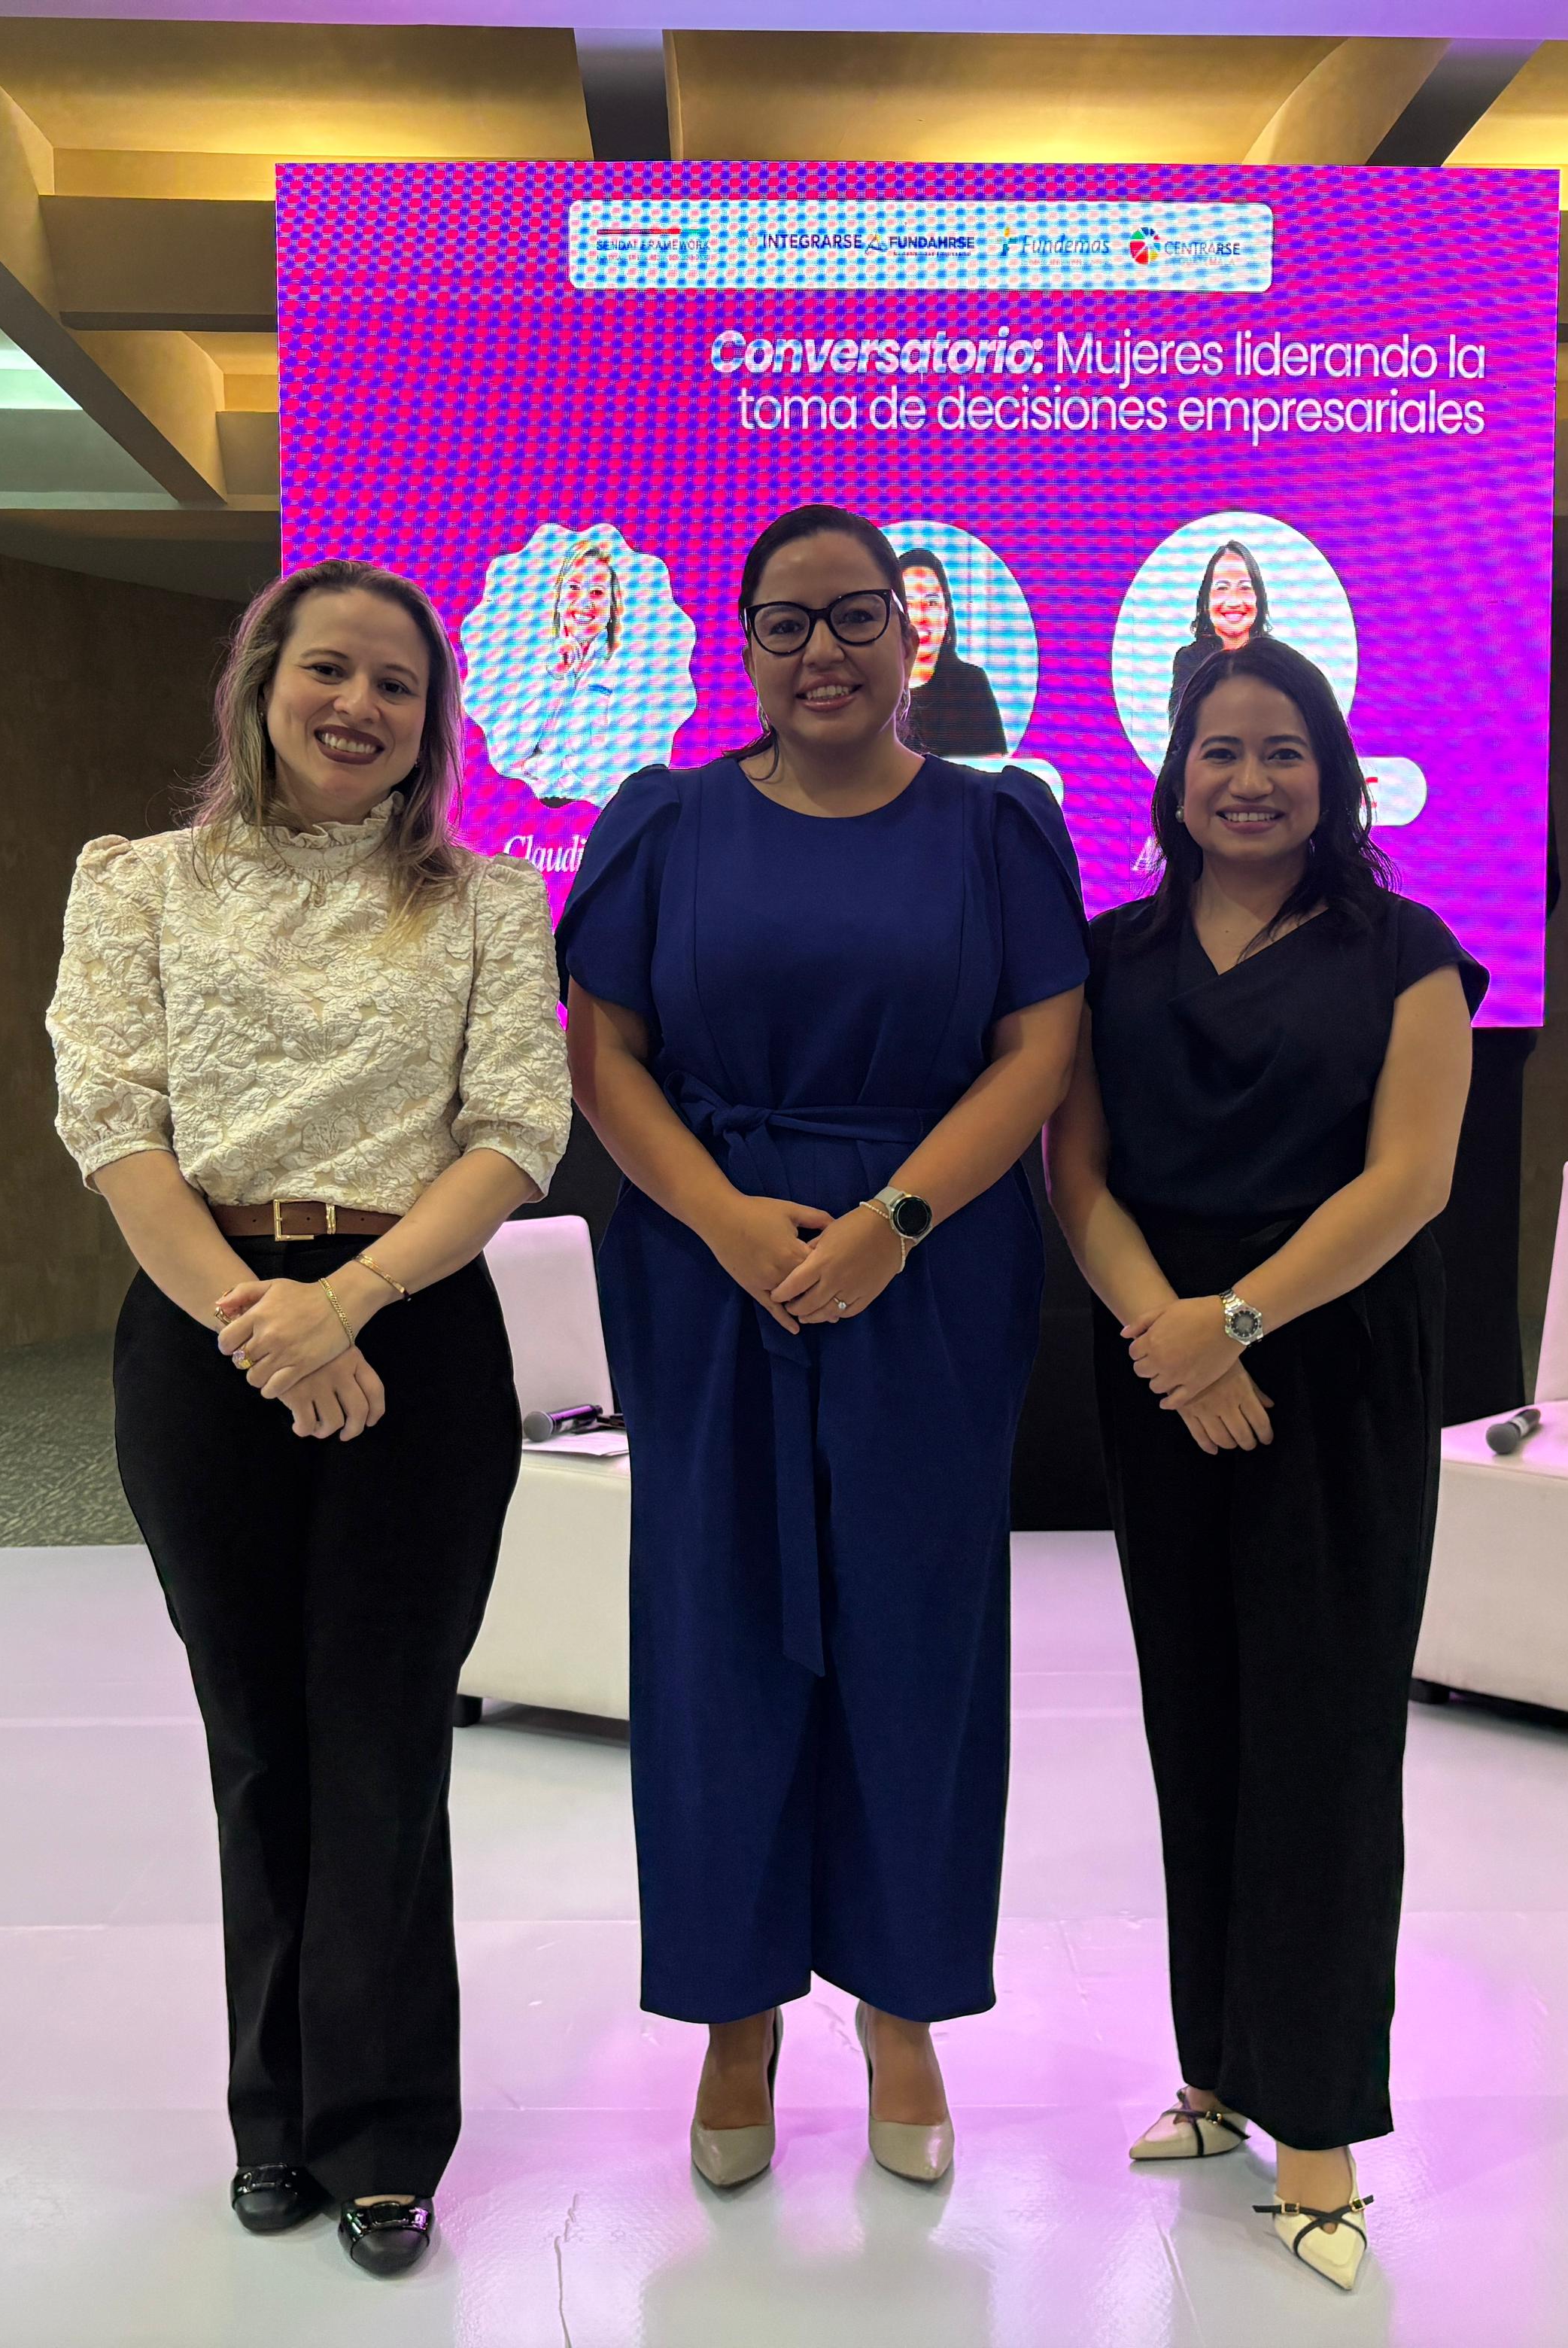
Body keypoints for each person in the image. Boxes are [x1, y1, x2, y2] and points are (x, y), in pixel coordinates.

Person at [47, 557, 570, 2279]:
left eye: (395, 685)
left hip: (412, 1331)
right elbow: (113, 1123)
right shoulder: (134, 884)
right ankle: (271, 2115)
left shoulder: (488, 901)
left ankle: (385, 2133)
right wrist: (263, 1324)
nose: (358, 706)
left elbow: (514, 1130)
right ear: (262, 682)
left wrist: (346, 1305)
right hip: (206, 1325)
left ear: (432, 723)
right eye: (328, 669)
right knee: (262, 1735)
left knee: (385, 1736)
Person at [559, 504, 1086, 2196]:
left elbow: (1038, 1053)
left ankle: (901, 2002)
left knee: (919, 1636)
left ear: (909, 634)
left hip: (929, 1268)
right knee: (714, 1635)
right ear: (746, 645)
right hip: (707, 1265)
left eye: (855, 616)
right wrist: (723, 1219)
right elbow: (603, 1049)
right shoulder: (665, 823)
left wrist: (891, 1225)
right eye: (786, 623)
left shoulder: (996, 827)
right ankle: (735, 2012)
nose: (823, 652)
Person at [1046, 634, 1479, 2295]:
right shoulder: (1113, 957)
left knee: (1323, 1739)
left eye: (1283, 751)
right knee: (1201, 1721)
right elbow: (1076, 1174)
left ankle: (1319, 2127)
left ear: (1333, 778)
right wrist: (1169, 1333)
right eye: (1219, 751)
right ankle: (1218, 2071)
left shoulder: (1405, 953)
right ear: (1173, 777)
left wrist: (1231, 1324)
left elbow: (1411, 1181)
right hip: (1163, 1364)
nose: (1249, 779)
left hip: (1334, 1365)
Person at [512, 537, 628, 800]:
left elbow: (610, 770)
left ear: (612, 605)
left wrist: (537, 767)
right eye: (574, 588)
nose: (584, 602)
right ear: (559, 598)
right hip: (521, 809)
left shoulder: (624, 671)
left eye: (597, 592)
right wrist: (552, 679)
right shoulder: (534, 663)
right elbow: (509, 753)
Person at [896, 547, 1007, 759]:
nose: (921, 617)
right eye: (910, 604)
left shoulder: (971, 683)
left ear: (946, 613)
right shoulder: (875, 684)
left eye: (931, 603)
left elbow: (992, 766)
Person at [1165, 538, 1272, 721]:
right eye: (1222, 588)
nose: (1233, 601)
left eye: (1245, 587)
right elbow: (1179, 729)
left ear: (1259, 599)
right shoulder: (1189, 660)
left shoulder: (1279, 659)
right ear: (1206, 600)